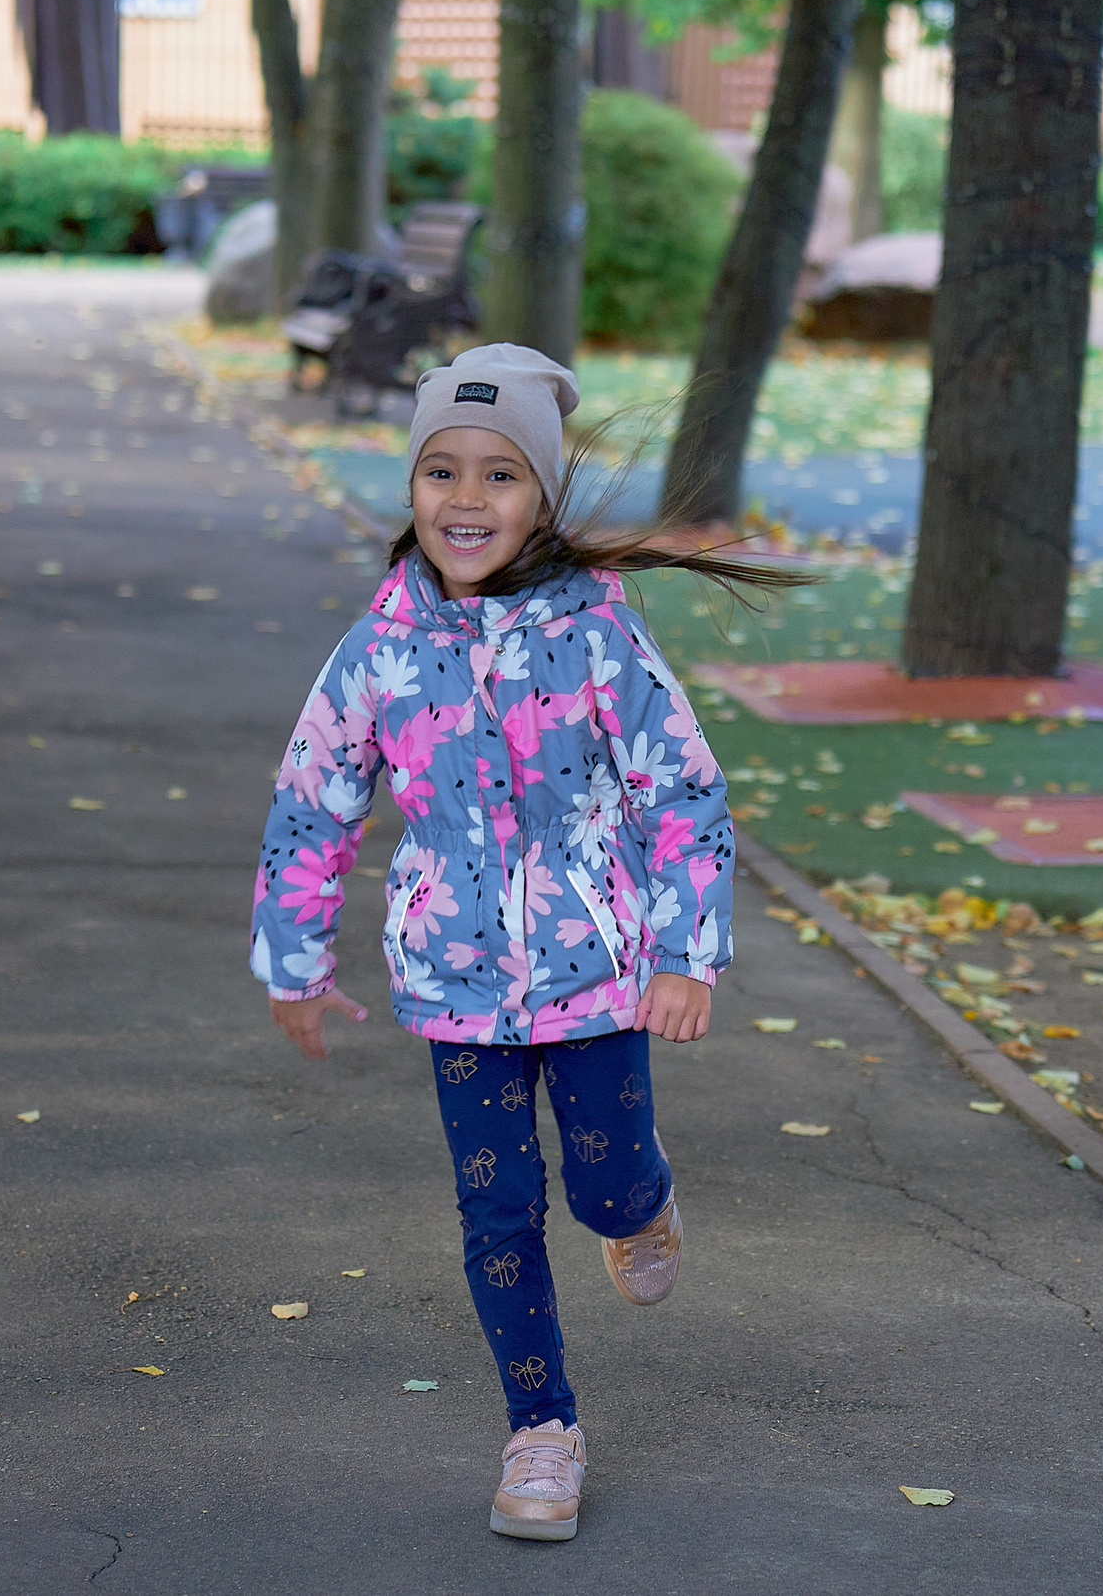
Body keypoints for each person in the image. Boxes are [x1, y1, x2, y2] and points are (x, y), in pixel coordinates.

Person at [251, 343, 809, 1543]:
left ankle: (646, 1203)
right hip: (455, 987)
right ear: (409, 490)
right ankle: (540, 1430)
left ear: (543, 497)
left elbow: (684, 795)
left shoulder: (598, 639)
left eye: (499, 475)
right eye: (440, 471)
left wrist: (682, 954)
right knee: (496, 1210)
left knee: (601, 1191)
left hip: (598, 978)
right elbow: (314, 803)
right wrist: (293, 961)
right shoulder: (378, 652)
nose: (466, 499)